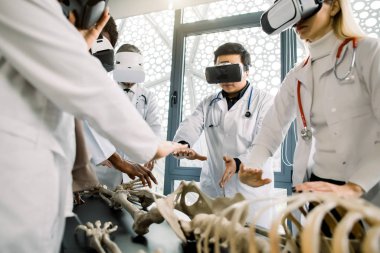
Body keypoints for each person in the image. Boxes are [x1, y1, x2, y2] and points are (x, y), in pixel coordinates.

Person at [0, 1, 185, 252]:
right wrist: (153, 147)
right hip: (18, 180)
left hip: (50, 183)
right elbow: (89, 91)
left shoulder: (144, 95)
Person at [238, 0, 380, 206]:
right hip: (319, 189)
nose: (297, 20)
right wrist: (253, 165)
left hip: (367, 188)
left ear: (334, 6)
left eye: (303, 8)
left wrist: (355, 186)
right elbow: (271, 127)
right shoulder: (297, 74)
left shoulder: (369, 52)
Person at [172, 42, 275, 228]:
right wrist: (183, 144)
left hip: (250, 196)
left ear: (246, 71)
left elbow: (265, 141)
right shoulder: (209, 103)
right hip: (213, 191)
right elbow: (191, 124)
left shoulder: (264, 101)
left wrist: (237, 163)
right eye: (221, 71)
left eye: (232, 70)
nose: (226, 78)